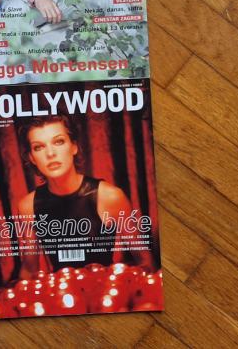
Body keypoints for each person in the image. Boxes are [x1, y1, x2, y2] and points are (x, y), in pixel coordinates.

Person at [14, 115, 152, 278]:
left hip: (106, 289)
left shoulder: (110, 197)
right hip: (60, 290)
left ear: (74, 146)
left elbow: (146, 262)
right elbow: (29, 270)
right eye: (38, 147)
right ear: (31, 157)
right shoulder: (28, 206)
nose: (50, 153)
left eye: (59, 142)